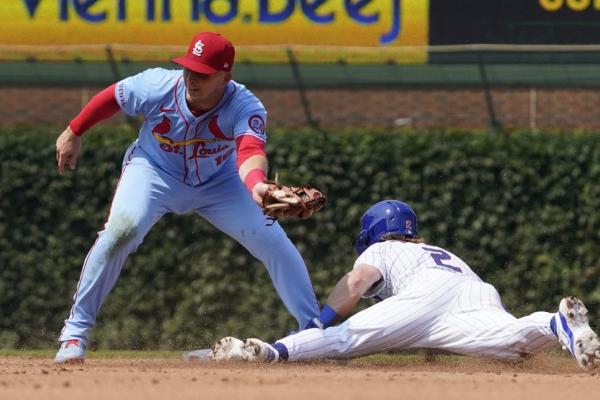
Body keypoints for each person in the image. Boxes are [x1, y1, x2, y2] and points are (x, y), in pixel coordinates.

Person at [54, 32, 321, 364]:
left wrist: (257, 185)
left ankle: (314, 334)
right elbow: (113, 97)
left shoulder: (245, 106)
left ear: (225, 77)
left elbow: (250, 150)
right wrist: (74, 130)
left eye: (203, 73)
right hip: (153, 170)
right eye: (188, 69)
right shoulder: (158, 85)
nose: (192, 78)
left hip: (220, 182)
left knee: (271, 239)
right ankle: (74, 334)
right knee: (120, 233)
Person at [209, 200, 600, 370]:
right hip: (474, 289)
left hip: (424, 295)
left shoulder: (384, 247)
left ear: (374, 232)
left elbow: (357, 282)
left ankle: (267, 352)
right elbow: (428, 322)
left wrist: (320, 321)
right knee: (513, 346)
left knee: (342, 340)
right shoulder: (436, 248)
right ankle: (556, 324)